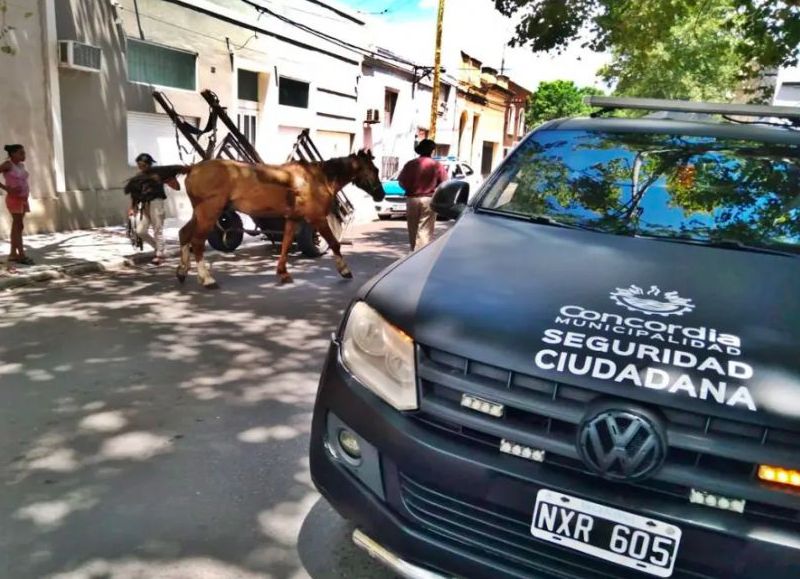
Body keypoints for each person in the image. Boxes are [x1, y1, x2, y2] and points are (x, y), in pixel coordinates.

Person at [129, 153, 180, 265]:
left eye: (143, 165)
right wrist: (133, 207)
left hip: (156, 203)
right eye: (139, 165)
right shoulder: (139, 176)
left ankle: (160, 254)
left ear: (149, 164)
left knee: (157, 229)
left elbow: (177, 187)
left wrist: (167, 179)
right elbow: (135, 193)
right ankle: (158, 248)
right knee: (140, 231)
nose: (141, 167)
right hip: (144, 205)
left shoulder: (159, 174)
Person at [398, 139, 448, 251]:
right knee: (425, 230)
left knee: (412, 229)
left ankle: (413, 252)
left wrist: (410, 189)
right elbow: (444, 183)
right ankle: (420, 254)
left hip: (412, 199)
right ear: (432, 151)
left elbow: (400, 182)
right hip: (428, 200)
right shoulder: (436, 165)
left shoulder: (410, 164)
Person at [0, 144, 34, 267]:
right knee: (18, 225)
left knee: (17, 226)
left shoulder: (21, 166)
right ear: (13, 154)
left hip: (23, 199)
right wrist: (6, 188)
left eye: (24, 153)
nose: (24, 155)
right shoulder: (8, 165)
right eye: (21, 153)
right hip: (14, 199)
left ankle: (13, 253)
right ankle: (21, 255)